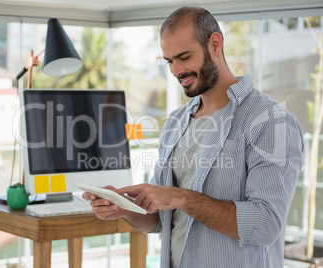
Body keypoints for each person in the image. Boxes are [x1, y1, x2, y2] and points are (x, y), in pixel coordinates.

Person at [83, 6, 304, 268]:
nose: (176, 71)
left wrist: (183, 198)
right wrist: (123, 207)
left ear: (215, 44)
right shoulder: (175, 123)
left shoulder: (270, 121)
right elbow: (160, 222)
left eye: (184, 57)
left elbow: (266, 224)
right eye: (169, 61)